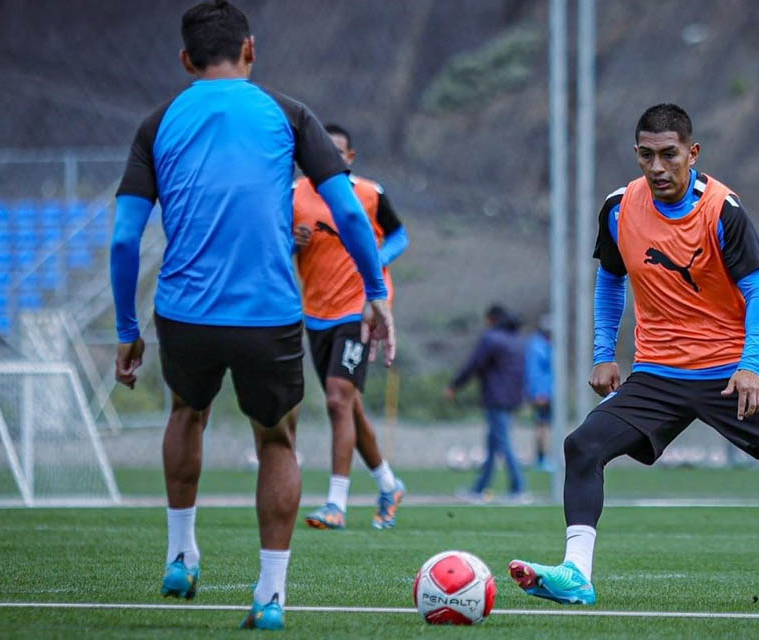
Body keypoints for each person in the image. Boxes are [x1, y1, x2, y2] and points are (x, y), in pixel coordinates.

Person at [508, 104, 759, 609]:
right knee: (582, 446)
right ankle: (576, 574)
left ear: (691, 153)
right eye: (647, 156)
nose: (658, 167)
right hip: (658, 372)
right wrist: (604, 353)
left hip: (730, 369)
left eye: (669, 155)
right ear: (636, 155)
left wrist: (749, 366)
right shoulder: (618, 208)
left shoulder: (722, 210)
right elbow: (611, 278)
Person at [109, 1, 395, 630]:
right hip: (268, 312)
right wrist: (375, 290)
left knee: (188, 412)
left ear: (186, 60)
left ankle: (181, 554)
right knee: (276, 438)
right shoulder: (289, 114)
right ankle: (269, 595)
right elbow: (347, 212)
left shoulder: (157, 123)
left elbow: (125, 240)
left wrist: (127, 331)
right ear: (251, 50)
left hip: (183, 311)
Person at [293, 123, 407, 530]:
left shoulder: (369, 194)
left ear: (350, 157)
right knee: (348, 406)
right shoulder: (294, 194)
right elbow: (275, 243)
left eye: (338, 152)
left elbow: (400, 235)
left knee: (338, 401)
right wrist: (293, 242)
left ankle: (336, 504)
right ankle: (389, 485)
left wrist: (377, 258)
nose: (331, 158)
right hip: (316, 315)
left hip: (359, 311)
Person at [446, 305, 528, 502]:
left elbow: (474, 364)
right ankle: (479, 489)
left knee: (504, 442)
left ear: (491, 319)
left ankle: (519, 489)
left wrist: (455, 385)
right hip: (513, 398)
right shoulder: (517, 340)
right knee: (493, 444)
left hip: (496, 397)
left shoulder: (491, 339)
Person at [525, 315, 555, 471]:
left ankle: (545, 457)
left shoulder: (547, 344)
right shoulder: (537, 346)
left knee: (545, 425)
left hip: (549, 391)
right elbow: (534, 372)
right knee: (542, 426)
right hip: (542, 393)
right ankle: (542, 459)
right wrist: (539, 393)